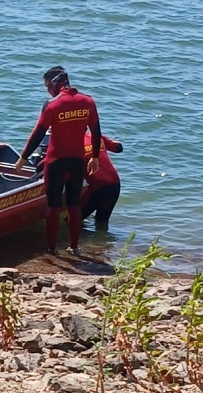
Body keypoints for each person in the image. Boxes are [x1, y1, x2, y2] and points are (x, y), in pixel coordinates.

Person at [13, 66, 102, 256]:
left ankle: (52, 249)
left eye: (47, 86)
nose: (47, 90)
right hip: (78, 161)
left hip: (55, 162)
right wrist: (95, 157)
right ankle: (74, 247)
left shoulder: (52, 105)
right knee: (74, 204)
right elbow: (96, 131)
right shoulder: (88, 102)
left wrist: (23, 157)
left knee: (53, 206)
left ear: (54, 84)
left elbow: (38, 134)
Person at [82, 133, 122, 230]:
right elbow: (119, 148)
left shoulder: (71, 144)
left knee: (72, 220)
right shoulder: (96, 136)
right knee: (101, 224)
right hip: (115, 185)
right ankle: (103, 244)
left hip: (98, 188)